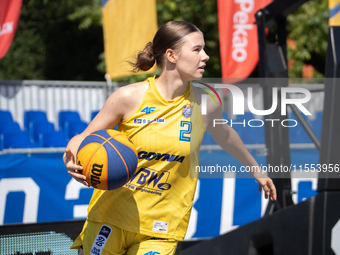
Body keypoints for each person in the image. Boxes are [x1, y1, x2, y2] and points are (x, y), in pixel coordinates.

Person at [64, 20, 276, 255]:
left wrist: (256, 169)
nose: (205, 56)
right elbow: (83, 138)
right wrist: (71, 159)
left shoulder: (206, 101)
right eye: (197, 49)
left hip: (162, 229)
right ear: (171, 55)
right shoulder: (129, 97)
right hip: (110, 218)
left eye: (204, 49)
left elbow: (225, 135)